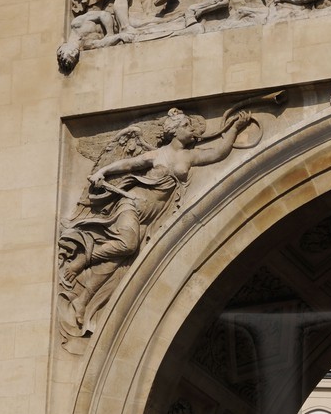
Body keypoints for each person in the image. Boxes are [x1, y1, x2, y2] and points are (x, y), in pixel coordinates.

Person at [57, 107, 260, 338]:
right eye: (185, 126)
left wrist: (234, 128)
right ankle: (81, 261)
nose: (191, 129)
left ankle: (82, 302)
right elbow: (128, 165)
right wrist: (102, 171)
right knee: (128, 244)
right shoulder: (158, 154)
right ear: (173, 131)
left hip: (150, 219)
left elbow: (218, 154)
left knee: (118, 265)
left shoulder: (189, 156)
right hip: (131, 205)